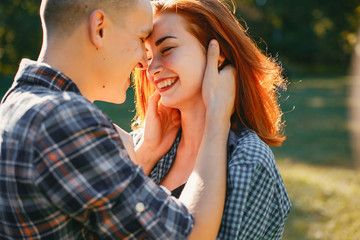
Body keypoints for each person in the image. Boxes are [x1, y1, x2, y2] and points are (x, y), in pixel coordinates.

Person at [0, 0, 236, 239]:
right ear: (99, 28)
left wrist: (146, 154)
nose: (144, 65)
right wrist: (217, 115)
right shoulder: (66, 120)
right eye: (140, 39)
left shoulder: (13, 106)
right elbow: (189, 235)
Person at [132, 0, 291, 239]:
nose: (152, 67)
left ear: (217, 55)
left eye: (166, 50)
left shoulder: (248, 160)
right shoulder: (144, 142)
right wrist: (147, 152)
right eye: (148, 56)